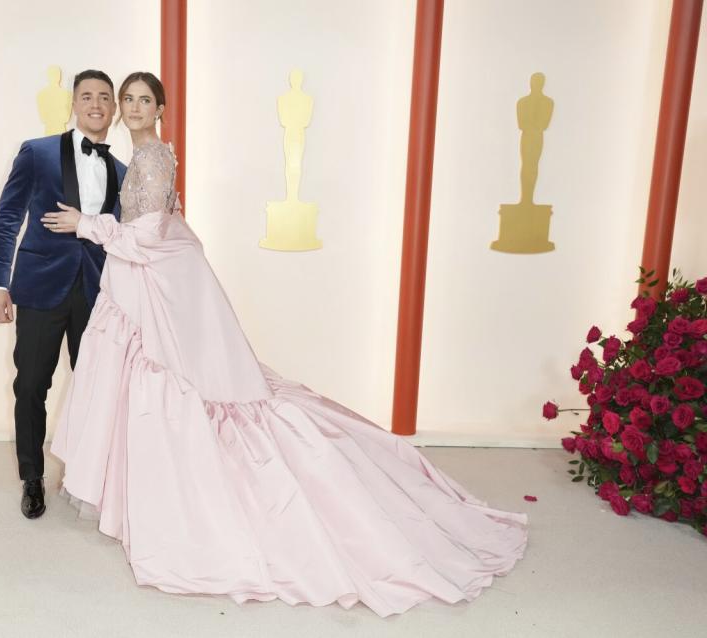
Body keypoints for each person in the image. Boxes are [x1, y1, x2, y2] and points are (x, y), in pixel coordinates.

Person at [44, 72, 527, 617]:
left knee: (175, 380)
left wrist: (88, 224)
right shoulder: (144, 154)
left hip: (156, 278)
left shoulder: (153, 155)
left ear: (160, 108)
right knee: (147, 377)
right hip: (144, 279)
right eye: (126, 100)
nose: (131, 108)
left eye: (142, 101)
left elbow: (151, 233)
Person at [0, 70, 126, 519]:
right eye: (87, 96)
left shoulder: (122, 171)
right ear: (74, 104)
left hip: (97, 292)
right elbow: (8, 217)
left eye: (105, 97)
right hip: (40, 286)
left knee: (96, 391)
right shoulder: (38, 152)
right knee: (30, 386)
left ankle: (88, 480)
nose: (97, 104)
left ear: (115, 109)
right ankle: (32, 478)